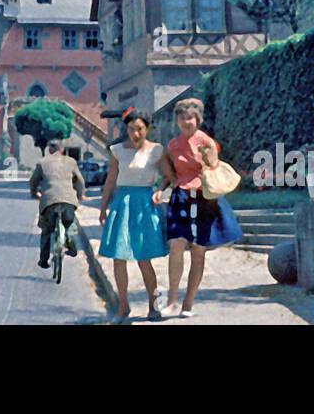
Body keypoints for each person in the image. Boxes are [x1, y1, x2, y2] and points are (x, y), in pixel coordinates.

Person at [160, 97, 243, 318]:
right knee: (176, 245)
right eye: (181, 117)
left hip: (204, 197)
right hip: (181, 196)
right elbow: (170, 173)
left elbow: (214, 167)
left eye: (190, 117)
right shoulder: (172, 145)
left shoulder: (206, 141)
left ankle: (188, 303)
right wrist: (161, 189)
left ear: (198, 119)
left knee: (198, 249)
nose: (186, 121)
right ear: (176, 120)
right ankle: (171, 300)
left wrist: (209, 157)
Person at [99, 108, 175, 323]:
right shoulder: (117, 151)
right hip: (122, 204)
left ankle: (153, 306)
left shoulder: (156, 151)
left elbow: (169, 176)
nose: (136, 134)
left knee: (144, 258)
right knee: (119, 257)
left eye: (140, 129)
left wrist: (160, 190)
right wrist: (103, 207)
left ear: (147, 129)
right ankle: (123, 306)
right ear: (126, 129)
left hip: (144, 204)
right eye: (132, 129)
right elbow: (111, 180)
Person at [27, 139, 85, 269]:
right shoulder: (71, 162)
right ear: (62, 149)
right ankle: (71, 243)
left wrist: (33, 192)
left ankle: (43, 259)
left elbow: (33, 181)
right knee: (69, 223)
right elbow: (80, 181)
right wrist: (80, 195)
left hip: (49, 201)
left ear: (49, 150)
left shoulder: (42, 163)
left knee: (46, 230)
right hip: (68, 200)